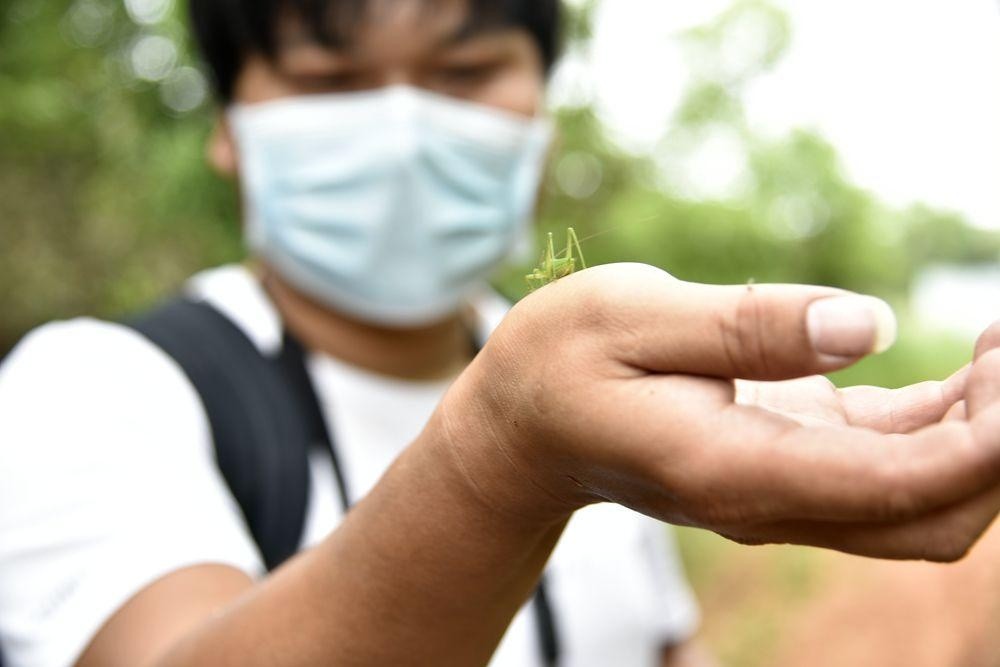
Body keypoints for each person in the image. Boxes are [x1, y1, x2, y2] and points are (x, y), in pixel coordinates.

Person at [2, 1, 1000, 666]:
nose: (400, 130)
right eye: (329, 82)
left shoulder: (642, 389)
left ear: (540, 123)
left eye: (464, 70)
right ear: (225, 124)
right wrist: (505, 457)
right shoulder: (92, 388)